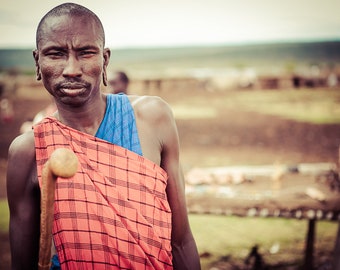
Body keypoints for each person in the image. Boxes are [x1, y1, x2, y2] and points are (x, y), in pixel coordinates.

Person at [6, 3, 200, 270]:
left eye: (85, 53)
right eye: (56, 54)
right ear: (37, 62)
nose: (71, 69)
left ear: (105, 60)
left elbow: (181, 241)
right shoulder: (29, 150)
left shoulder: (154, 118)